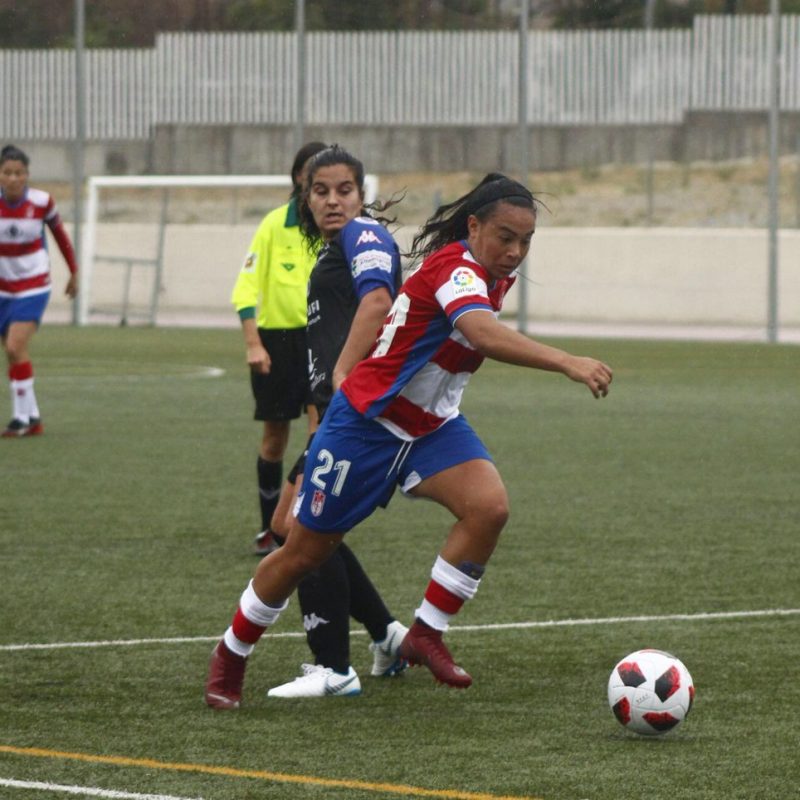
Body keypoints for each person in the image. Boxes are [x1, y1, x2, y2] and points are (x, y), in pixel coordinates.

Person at [205, 172, 613, 708]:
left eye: (526, 241)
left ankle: (425, 633)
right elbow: (483, 334)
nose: (515, 252)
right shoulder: (456, 268)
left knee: (488, 508)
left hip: (431, 427)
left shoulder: (493, 274)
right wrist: (569, 362)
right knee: (303, 552)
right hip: (368, 425)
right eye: (505, 237)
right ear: (473, 226)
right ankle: (231, 656)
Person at [208, 145, 407, 706]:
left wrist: (345, 377)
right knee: (302, 527)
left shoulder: (361, 240)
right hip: (341, 418)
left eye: (344, 190)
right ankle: (388, 635)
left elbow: (377, 299)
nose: (332, 200)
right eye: (321, 191)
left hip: (359, 421)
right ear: (304, 194)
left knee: (301, 528)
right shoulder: (328, 251)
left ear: (361, 195)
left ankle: (333, 665)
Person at [231, 141, 327, 554]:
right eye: (310, 175)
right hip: (277, 342)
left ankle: (303, 524)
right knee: (274, 437)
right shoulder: (274, 224)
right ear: (297, 178)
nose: (316, 185)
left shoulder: (340, 229)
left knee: (319, 434)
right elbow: (245, 286)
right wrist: (253, 342)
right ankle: (268, 528)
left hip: (324, 342)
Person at [1, 144, 78, 438]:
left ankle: (20, 419)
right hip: (2, 290)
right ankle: (33, 418)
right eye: (7, 173)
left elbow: (59, 235)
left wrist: (74, 270)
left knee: (14, 346)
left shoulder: (42, 202)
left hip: (33, 285)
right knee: (13, 353)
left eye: (19, 173)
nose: (13, 178)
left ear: (27, 175)